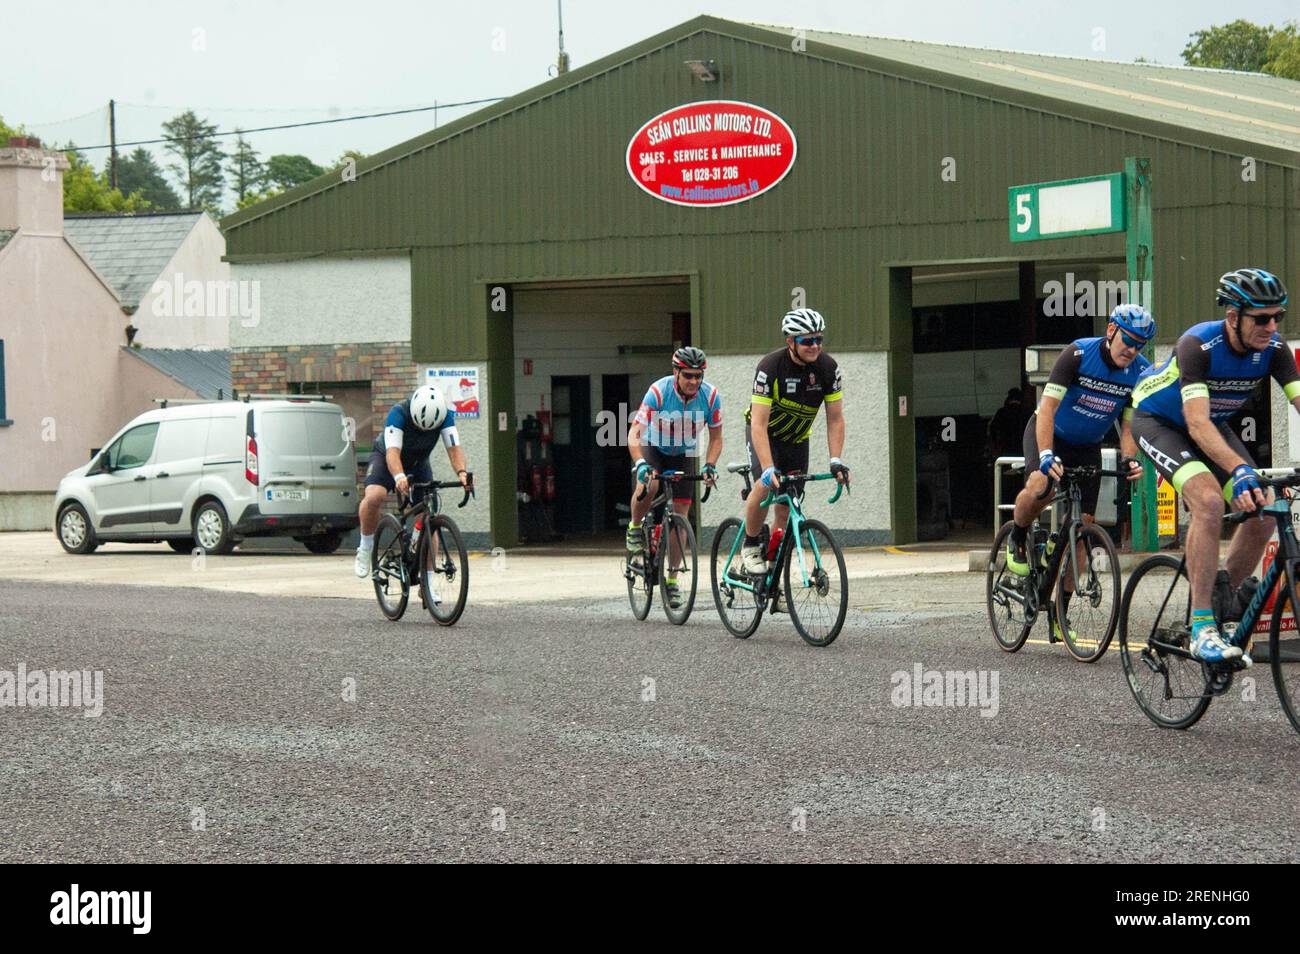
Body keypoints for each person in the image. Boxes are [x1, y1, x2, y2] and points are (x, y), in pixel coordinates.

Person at [1130, 268, 1297, 663]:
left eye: (1278, 317)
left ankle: (1224, 600)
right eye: (1261, 318)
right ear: (1233, 317)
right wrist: (1239, 470)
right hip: (1161, 422)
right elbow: (1196, 423)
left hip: (1212, 426)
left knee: (1266, 509)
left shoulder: (1274, 349)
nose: (1271, 326)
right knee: (1208, 502)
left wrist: (1246, 476)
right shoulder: (1198, 345)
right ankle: (1202, 625)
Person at [1004, 304, 1154, 637]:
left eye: (1140, 344)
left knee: (1083, 531)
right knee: (1040, 485)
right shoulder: (1078, 354)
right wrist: (1045, 454)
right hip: (1049, 432)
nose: (1132, 350)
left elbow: (1127, 426)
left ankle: (1061, 613)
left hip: (1088, 446)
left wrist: (1130, 458)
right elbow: (1048, 409)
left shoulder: (1139, 372)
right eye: (1128, 340)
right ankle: (1017, 534)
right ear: (1112, 330)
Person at [739, 309, 849, 611]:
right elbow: (759, 424)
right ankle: (750, 546)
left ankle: (774, 576)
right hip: (765, 435)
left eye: (819, 339)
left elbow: (835, 419)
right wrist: (769, 467)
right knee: (764, 485)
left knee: (787, 511)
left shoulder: (828, 368)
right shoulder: (770, 367)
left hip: (797, 440)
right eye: (806, 341)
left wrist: (836, 459)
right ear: (791, 341)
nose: (814, 345)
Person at [626, 346, 722, 609]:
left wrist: (711, 465)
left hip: (684, 452)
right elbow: (635, 433)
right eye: (688, 375)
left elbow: (716, 437)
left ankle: (672, 580)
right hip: (653, 447)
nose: (693, 381)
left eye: (698, 376)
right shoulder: (659, 391)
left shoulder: (711, 396)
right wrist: (641, 463)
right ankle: (635, 526)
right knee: (651, 483)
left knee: (681, 516)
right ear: (676, 372)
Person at [353, 384, 472, 578]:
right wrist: (399, 477)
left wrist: (462, 473)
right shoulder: (398, 413)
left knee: (428, 517)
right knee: (375, 495)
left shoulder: (446, 416)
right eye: (418, 427)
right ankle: (366, 546)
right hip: (386, 458)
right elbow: (393, 453)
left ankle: (429, 582)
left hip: (418, 464)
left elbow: (454, 448)